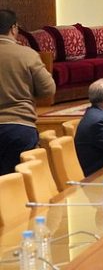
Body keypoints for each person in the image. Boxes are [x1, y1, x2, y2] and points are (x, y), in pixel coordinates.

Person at [0, 10, 56, 175]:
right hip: (19, 126)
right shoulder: (27, 55)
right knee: (21, 182)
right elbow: (48, 89)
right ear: (13, 28)